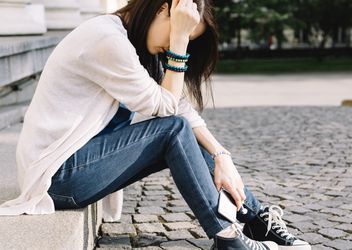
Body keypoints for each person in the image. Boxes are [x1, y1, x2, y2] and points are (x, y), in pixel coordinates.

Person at [0, 0, 311, 249]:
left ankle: (256, 219)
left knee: (183, 132)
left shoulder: (133, 44)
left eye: (189, 37)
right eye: (183, 31)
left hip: (75, 166)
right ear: (163, 8)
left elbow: (182, 108)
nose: (183, 42)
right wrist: (177, 42)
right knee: (172, 130)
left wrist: (221, 156)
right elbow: (165, 110)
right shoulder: (106, 39)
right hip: (57, 177)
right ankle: (229, 240)